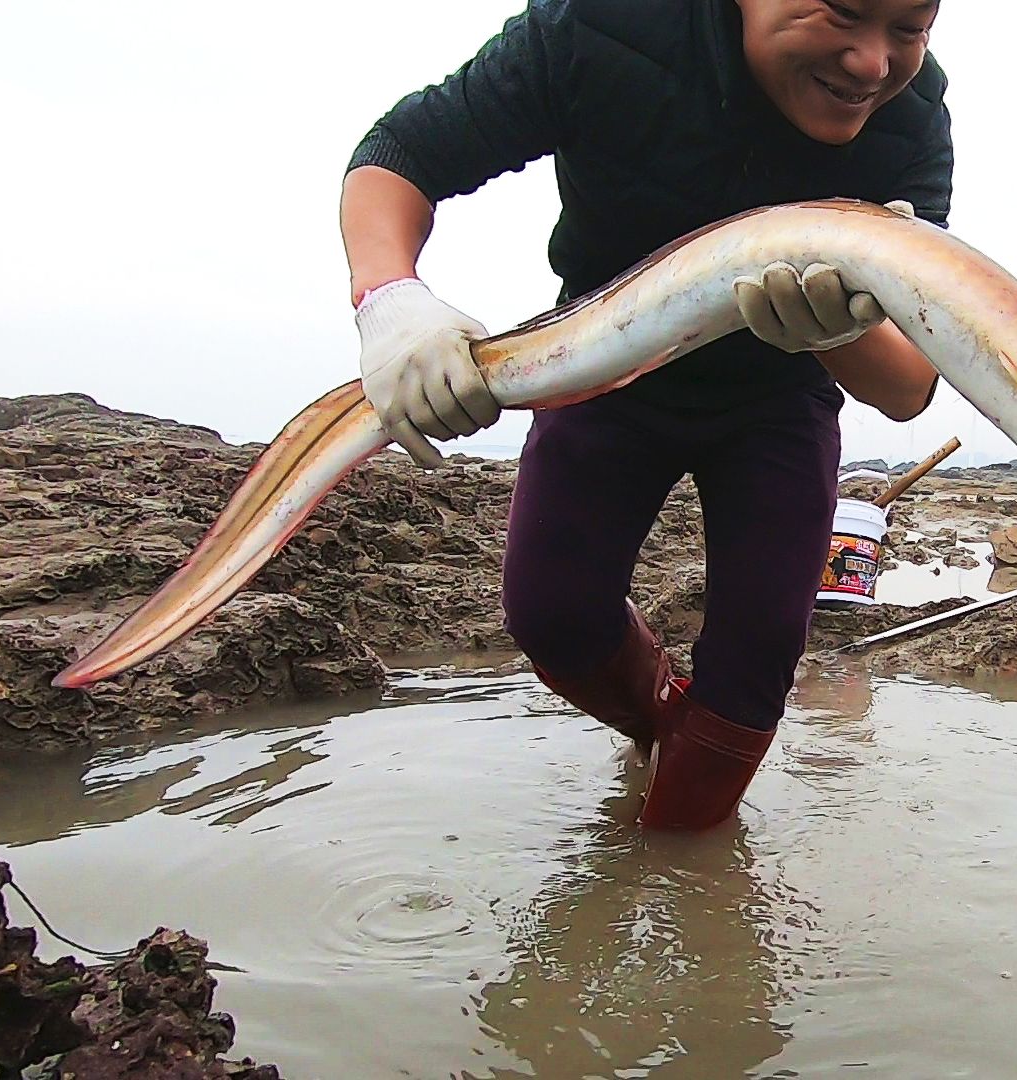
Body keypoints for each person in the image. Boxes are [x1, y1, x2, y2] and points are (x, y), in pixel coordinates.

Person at [339, 0, 952, 830]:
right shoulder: (603, 25)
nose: (874, 65)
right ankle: (657, 723)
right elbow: (398, 155)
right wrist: (390, 297)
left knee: (758, 657)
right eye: (844, 13)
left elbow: (909, 387)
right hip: (606, 371)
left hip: (776, 399)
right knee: (551, 612)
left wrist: (836, 333)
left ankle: (685, 870)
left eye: (910, 29)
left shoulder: (911, 120)